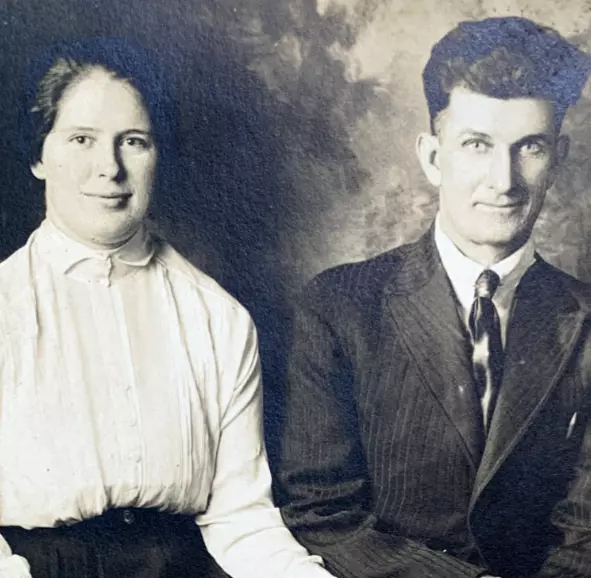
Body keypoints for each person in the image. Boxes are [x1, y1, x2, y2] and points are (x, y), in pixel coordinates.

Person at [0, 38, 336, 578]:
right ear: (39, 155)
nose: (108, 167)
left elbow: (242, 521)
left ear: (157, 156)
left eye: (132, 141)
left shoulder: (219, 319)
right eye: (81, 139)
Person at [275, 16, 591, 578]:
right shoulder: (339, 306)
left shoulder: (586, 321)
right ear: (431, 156)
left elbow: (586, 526)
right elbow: (322, 512)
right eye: (476, 144)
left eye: (530, 147)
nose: (504, 179)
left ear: (558, 158)